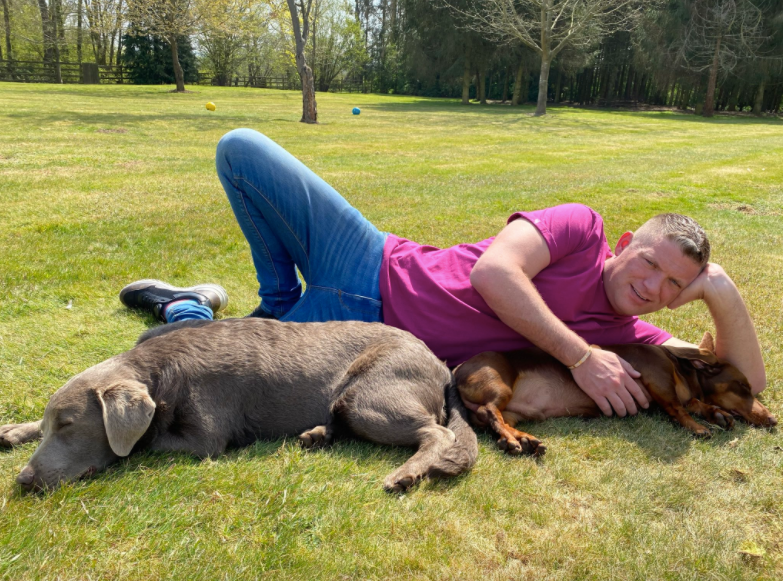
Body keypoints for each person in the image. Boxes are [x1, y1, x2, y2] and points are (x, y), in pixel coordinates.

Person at [119, 128, 766, 418]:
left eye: (672, 285)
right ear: (626, 243)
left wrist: (720, 290)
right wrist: (578, 355)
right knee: (240, 149)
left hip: (356, 337)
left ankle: (195, 310)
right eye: (649, 262)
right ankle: (277, 297)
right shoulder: (581, 229)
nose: (652, 284)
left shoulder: (628, 336)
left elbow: (749, 383)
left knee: (166, 357)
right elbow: (493, 272)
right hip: (369, 255)